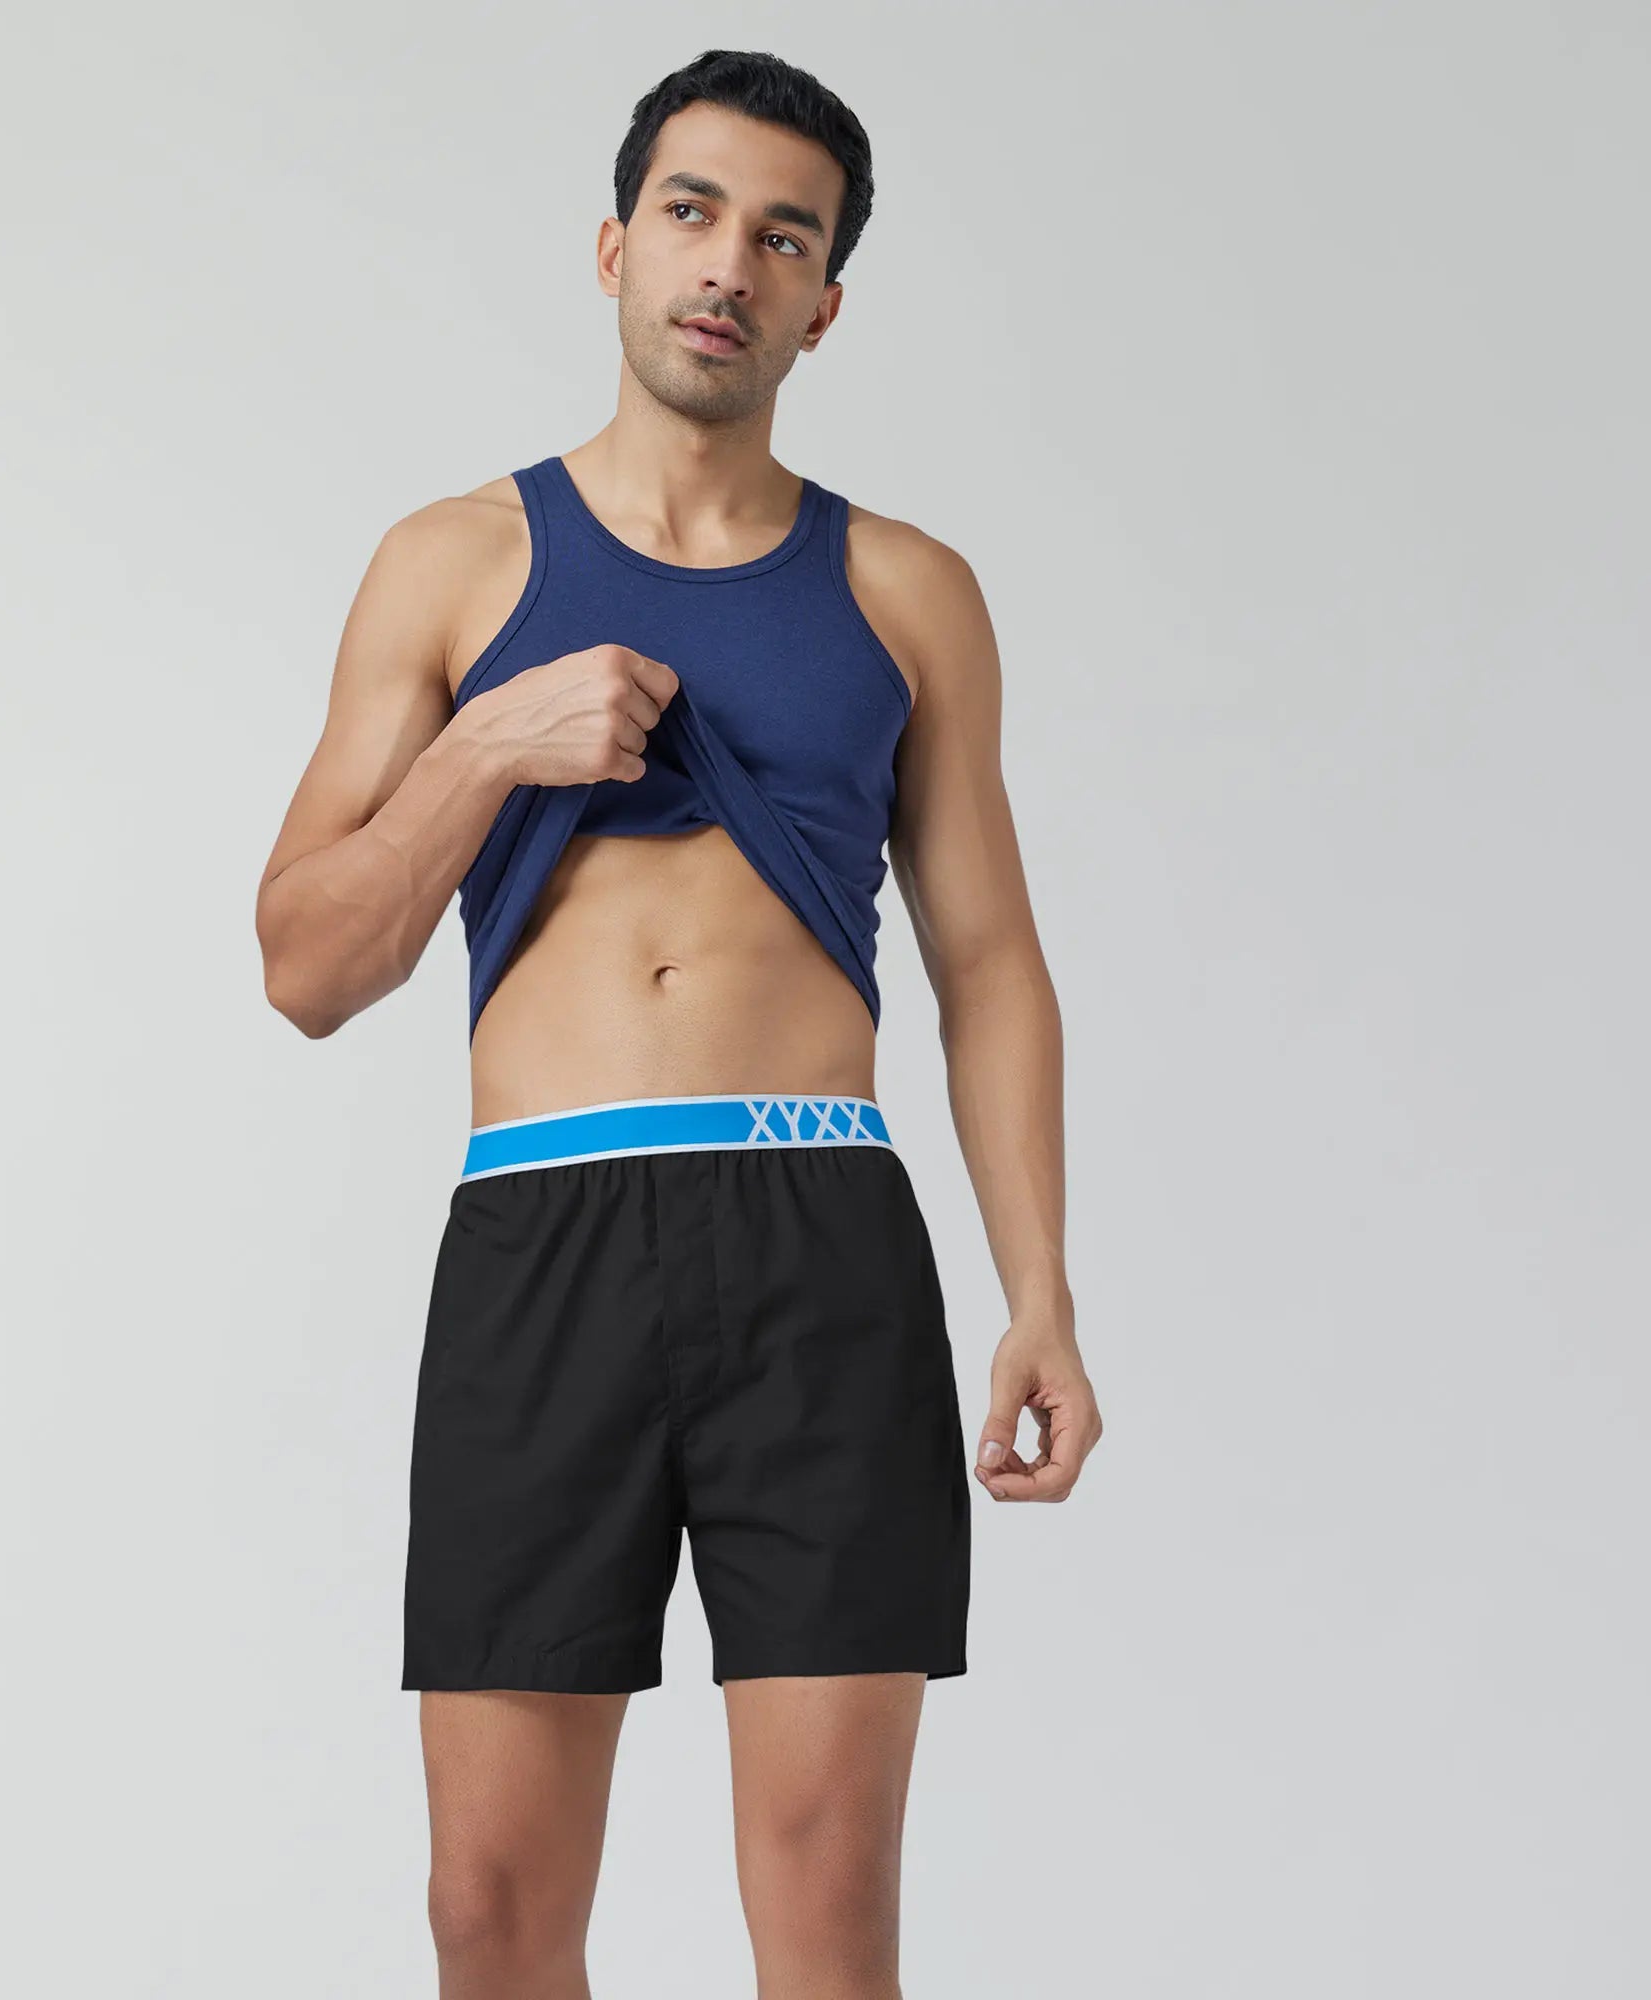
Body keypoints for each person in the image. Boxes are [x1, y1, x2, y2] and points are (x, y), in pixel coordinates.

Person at [256, 46, 1102, 2000]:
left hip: (818, 1245)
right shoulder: (455, 561)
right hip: (542, 1236)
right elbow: (307, 966)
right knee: (488, 1908)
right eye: (695, 213)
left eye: (784, 237)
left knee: (824, 1907)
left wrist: (1039, 1292)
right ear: (616, 246)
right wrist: (488, 745)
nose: (730, 263)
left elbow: (989, 960)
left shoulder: (906, 589)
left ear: (824, 305)